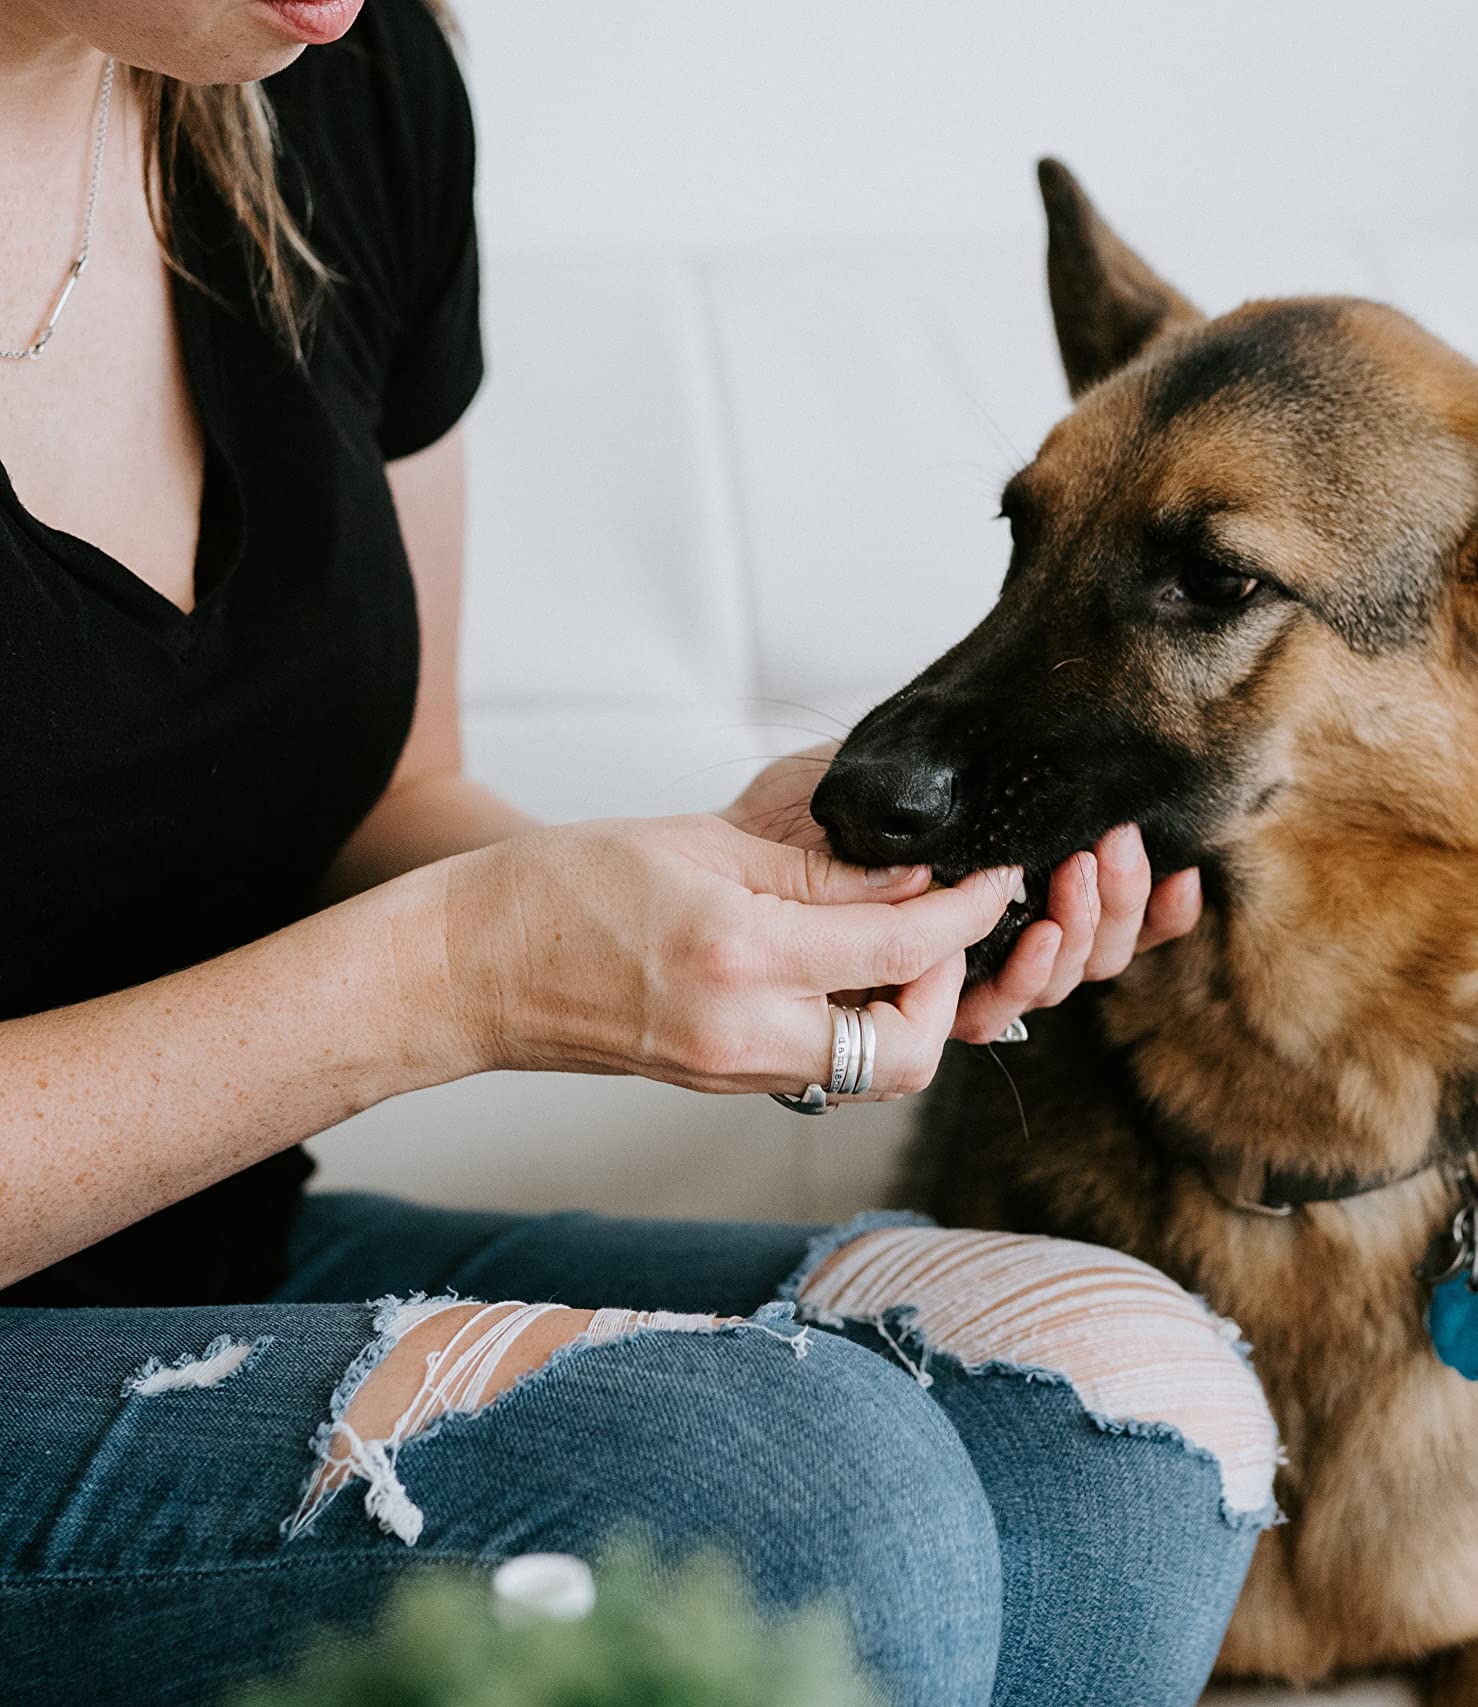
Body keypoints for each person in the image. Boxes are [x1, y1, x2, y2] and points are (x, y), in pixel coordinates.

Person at [0, 3, 1275, 1703]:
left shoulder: (331, 87)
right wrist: (452, 980)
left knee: (1119, 1418)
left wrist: (740, 903)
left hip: (204, 1266)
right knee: (781, 1498)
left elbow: (389, 795)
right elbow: (436, 946)